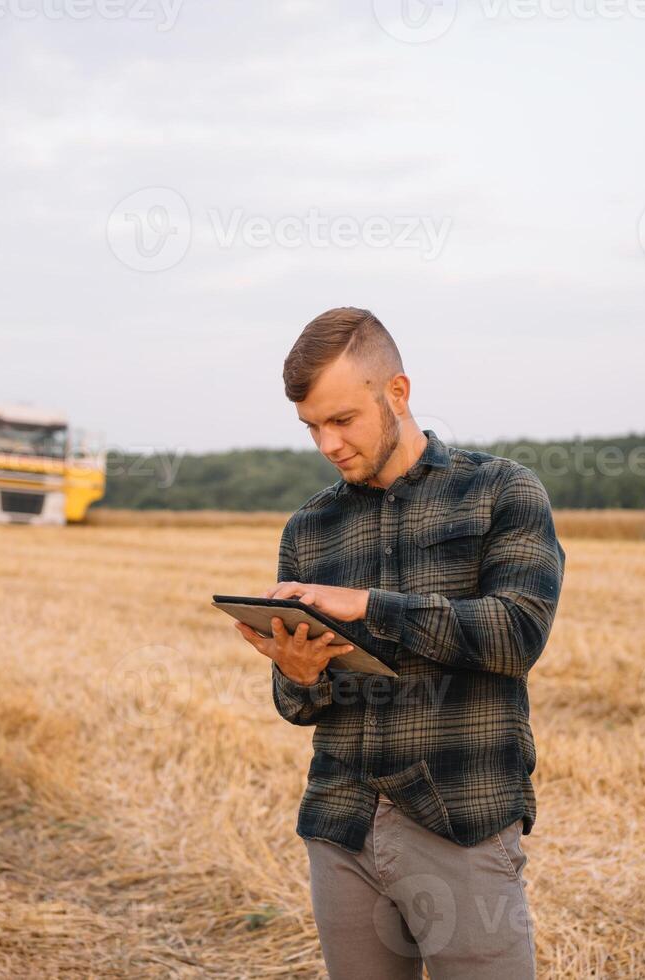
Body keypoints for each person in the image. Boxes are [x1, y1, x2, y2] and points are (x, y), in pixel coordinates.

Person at [234, 307, 565, 979]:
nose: (328, 444)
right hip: (341, 826)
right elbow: (299, 708)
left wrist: (367, 607)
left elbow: (517, 634)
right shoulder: (310, 530)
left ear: (398, 393)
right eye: (312, 427)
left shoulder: (500, 492)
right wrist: (297, 673)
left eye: (342, 419)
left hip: (461, 824)